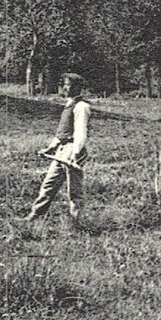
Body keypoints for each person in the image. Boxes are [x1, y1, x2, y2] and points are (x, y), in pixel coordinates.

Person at [24, 72, 92, 223]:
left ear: (77, 88)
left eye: (68, 85)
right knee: (49, 184)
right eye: (64, 85)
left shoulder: (82, 106)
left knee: (74, 190)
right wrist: (50, 148)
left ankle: (77, 222)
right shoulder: (69, 105)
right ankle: (35, 216)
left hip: (73, 149)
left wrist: (76, 152)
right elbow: (62, 133)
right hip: (62, 150)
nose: (64, 88)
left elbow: (80, 132)